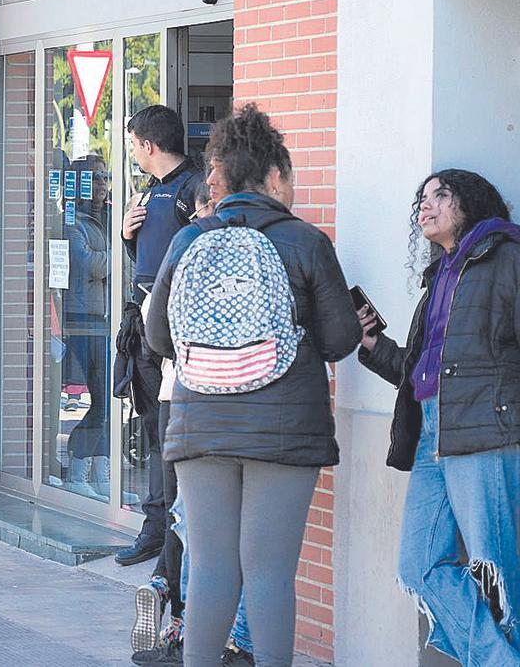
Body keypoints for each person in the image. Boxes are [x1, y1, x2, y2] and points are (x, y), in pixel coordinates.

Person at [144, 103, 360, 667]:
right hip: (283, 430)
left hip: (200, 424)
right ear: (271, 177)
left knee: (213, 567)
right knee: (268, 573)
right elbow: (339, 341)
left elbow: (158, 336)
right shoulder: (306, 241)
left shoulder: (189, 241)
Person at [357, 169, 520, 665]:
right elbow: (423, 370)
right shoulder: (443, 272)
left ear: (469, 203)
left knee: (498, 575)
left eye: (439, 196)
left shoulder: (507, 257)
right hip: (432, 433)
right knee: (419, 565)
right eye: (421, 199)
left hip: (486, 432)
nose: (425, 207)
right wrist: (373, 346)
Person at [132, 189, 255, 667]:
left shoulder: (186, 248)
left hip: (181, 399)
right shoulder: (267, 251)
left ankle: (175, 611)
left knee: (188, 517)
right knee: (227, 531)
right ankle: (215, 637)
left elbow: (154, 330)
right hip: (243, 410)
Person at [115, 105, 205, 568]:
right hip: (144, 325)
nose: (133, 153)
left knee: (172, 437)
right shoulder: (150, 192)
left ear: (148, 145)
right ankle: (155, 530)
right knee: (152, 431)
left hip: (177, 332)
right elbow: (147, 260)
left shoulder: (195, 189)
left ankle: (174, 540)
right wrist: (129, 236)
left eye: (133, 144)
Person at [61, 155, 113, 499]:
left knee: (110, 399)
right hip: (82, 318)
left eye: (104, 178)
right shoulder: (71, 221)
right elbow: (85, 265)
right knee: (98, 399)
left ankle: (101, 471)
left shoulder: (105, 218)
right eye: (93, 180)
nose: (101, 186)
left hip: (106, 317)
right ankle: (77, 468)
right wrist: (118, 258)